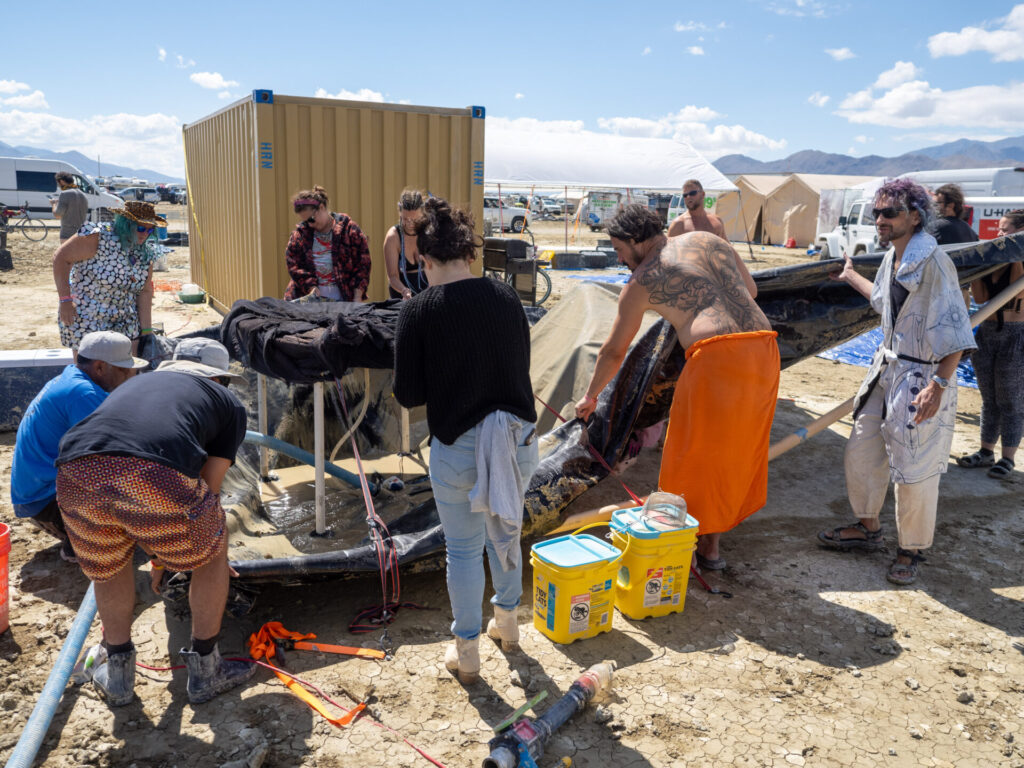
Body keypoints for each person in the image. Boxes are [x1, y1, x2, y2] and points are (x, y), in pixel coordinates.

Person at [575, 204, 779, 571]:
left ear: (637, 240)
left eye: (619, 249)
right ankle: (711, 546)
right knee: (735, 449)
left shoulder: (643, 280)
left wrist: (590, 397)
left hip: (717, 358)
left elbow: (613, 351)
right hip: (764, 346)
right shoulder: (706, 239)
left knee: (693, 451)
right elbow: (750, 289)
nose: (619, 258)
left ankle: (687, 544)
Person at [55, 338, 255, 706]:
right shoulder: (227, 404)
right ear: (219, 380)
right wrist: (186, 554)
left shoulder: (137, 384)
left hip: (75, 470)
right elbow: (207, 492)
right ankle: (206, 670)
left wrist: (161, 557)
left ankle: (116, 675)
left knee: (109, 566)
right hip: (149, 471)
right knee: (212, 544)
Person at [393, 197, 539, 684]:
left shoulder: (419, 309)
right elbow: (519, 364)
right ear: (470, 256)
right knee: (508, 532)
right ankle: (510, 628)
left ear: (425, 260)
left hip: (458, 444)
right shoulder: (505, 297)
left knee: (462, 548)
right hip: (517, 439)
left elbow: (408, 393)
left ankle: (469, 654)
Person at [817, 179, 976, 585]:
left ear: (915, 216)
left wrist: (938, 386)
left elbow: (956, 329)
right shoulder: (892, 257)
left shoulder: (936, 262)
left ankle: (912, 549)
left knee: (916, 468)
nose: (879, 219)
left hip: (924, 375)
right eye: (876, 212)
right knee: (862, 446)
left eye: (889, 212)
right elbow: (882, 303)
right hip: (888, 370)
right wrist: (851, 275)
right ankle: (868, 527)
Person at [10, 331, 146, 562]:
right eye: (124, 369)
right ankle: (82, 544)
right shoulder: (83, 394)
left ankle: (79, 535)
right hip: (45, 499)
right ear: (100, 367)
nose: (131, 375)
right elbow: (114, 455)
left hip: (37, 493)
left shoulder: (71, 378)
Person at [957, 209, 1024, 479]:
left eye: (1005, 230)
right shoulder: (994, 261)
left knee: (1011, 400)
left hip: (1015, 334)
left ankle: (1008, 458)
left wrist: (1016, 248)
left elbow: (1017, 288)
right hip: (987, 333)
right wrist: (977, 267)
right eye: (998, 229)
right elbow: (982, 297)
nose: (999, 235)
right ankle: (986, 452)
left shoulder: (1018, 261)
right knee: (988, 399)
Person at [53, 200, 163, 355]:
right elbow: (60, 258)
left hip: (124, 320)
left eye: (150, 230)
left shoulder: (145, 252)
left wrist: (146, 331)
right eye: (140, 228)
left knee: (127, 371)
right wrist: (65, 300)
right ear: (126, 224)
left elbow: (144, 292)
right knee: (91, 371)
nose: (145, 234)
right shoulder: (99, 237)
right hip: (88, 318)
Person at [284, 186, 371, 302]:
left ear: (321, 207)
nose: (309, 225)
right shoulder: (299, 235)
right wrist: (311, 287)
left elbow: (363, 265)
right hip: (308, 303)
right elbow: (293, 265)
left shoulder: (349, 230)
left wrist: (357, 296)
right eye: (305, 221)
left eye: (311, 219)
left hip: (344, 301)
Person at [383, 189, 429, 299]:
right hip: (402, 296)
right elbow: (393, 276)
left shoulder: (428, 232)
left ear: (422, 214)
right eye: (405, 219)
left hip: (427, 294)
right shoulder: (393, 237)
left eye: (415, 219)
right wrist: (404, 291)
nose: (410, 223)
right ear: (399, 212)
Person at [51, 172, 89, 242]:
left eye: (58, 183)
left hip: (67, 234)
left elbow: (57, 215)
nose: (58, 185)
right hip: (82, 233)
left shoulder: (65, 194)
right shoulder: (83, 195)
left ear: (61, 181)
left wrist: (54, 204)